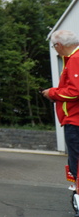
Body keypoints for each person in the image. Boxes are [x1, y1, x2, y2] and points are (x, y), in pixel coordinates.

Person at [42, 30, 79, 193]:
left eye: (54, 46)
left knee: (76, 164)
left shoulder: (75, 60)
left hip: (75, 120)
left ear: (59, 45)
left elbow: (76, 91)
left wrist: (52, 93)